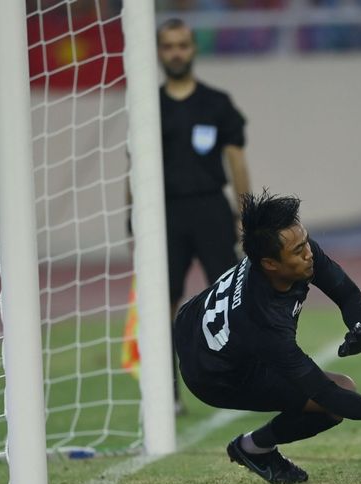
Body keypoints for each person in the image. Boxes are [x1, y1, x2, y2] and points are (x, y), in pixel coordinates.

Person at [173, 191, 361, 484]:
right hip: (214, 375)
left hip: (194, 322)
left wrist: (360, 325)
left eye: (306, 242)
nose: (309, 253)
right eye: (298, 250)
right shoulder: (264, 323)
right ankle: (253, 448)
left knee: (335, 391)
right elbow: (323, 392)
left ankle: (253, 447)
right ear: (270, 264)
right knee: (334, 397)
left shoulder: (294, 253)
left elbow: (347, 293)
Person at [157, 18, 251, 410]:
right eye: (168, 46)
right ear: (159, 53)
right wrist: (132, 213)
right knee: (163, 302)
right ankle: (167, 391)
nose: (176, 52)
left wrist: (248, 215)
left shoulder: (217, 104)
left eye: (182, 44)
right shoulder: (149, 107)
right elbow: (134, 164)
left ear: (193, 49)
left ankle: (239, 378)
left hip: (212, 207)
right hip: (165, 212)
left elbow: (236, 161)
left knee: (232, 298)